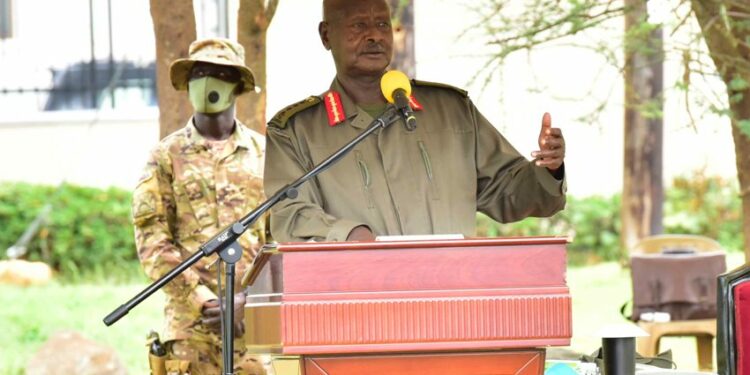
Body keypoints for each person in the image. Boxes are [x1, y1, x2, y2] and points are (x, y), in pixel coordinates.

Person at [263, 0, 567, 243]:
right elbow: (289, 214)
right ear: (326, 35)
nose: (374, 36)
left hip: (450, 299)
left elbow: (508, 193)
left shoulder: (452, 111)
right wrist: (347, 234)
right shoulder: (294, 131)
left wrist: (548, 170)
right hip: (359, 303)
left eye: (382, 24)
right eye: (358, 25)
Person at [132, 38, 266, 375]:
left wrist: (246, 300)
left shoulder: (267, 155)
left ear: (238, 85)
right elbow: (152, 243)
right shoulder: (164, 157)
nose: (206, 80)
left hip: (254, 327)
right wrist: (202, 299)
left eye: (219, 72)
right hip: (191, 331)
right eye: (199, 72)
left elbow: (283, 239)